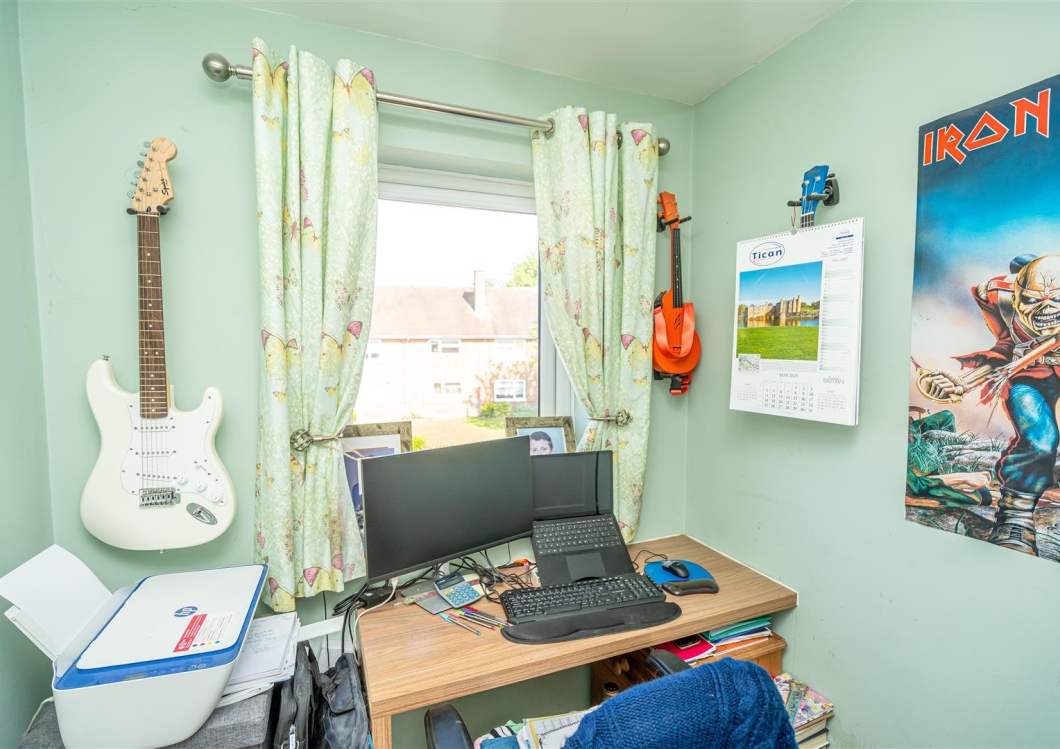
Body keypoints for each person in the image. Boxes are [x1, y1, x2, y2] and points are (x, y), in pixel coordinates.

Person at [918, 254, 1060, 556]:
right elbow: (1011, 348)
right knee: (1040, 440)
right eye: (1033, 300)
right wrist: (963, 382)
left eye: (1056, 300)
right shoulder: (1001, 299)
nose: (1045, 310)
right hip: (1032, 377)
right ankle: (1016, 518)